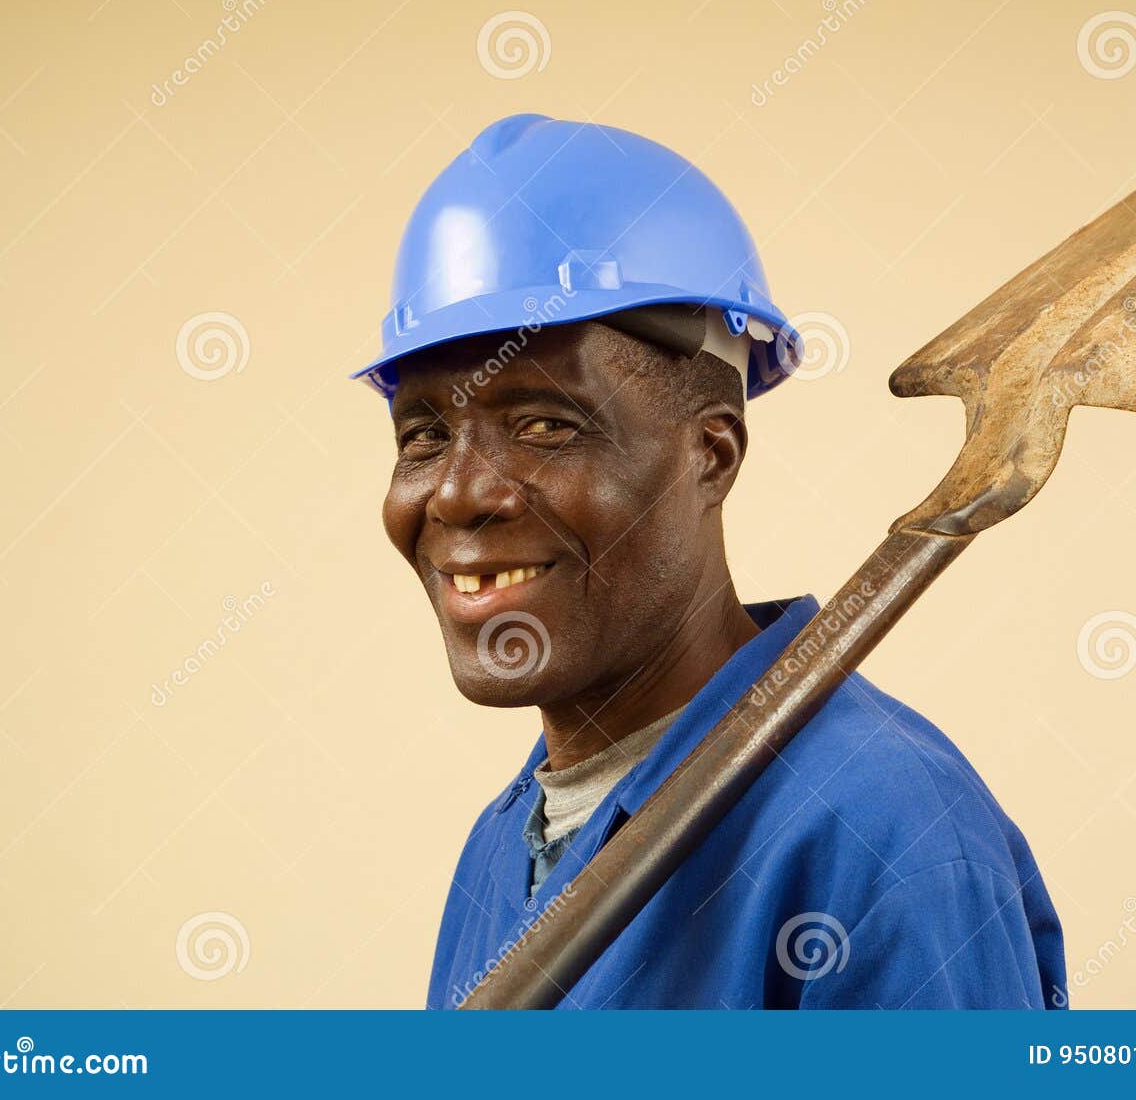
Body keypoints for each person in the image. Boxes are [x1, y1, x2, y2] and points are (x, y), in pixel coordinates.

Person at [351, 114, 1066, 1009]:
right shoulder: (501, 848)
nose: (458, 494)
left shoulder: (884, 833)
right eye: (423, 434)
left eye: (543, 424)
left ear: (711, 455)